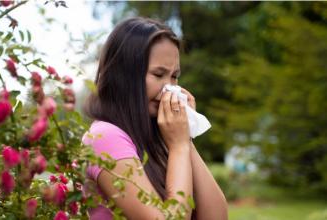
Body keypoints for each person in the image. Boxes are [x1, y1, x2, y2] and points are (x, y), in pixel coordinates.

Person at [82, 17, 227, 220]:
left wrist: (185, 138)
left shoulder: (159, 137)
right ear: (124, 77)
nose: (170, 88)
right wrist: (178, 147)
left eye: (174, 76)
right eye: (159, 75)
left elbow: (217, 217)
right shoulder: (105, 137)